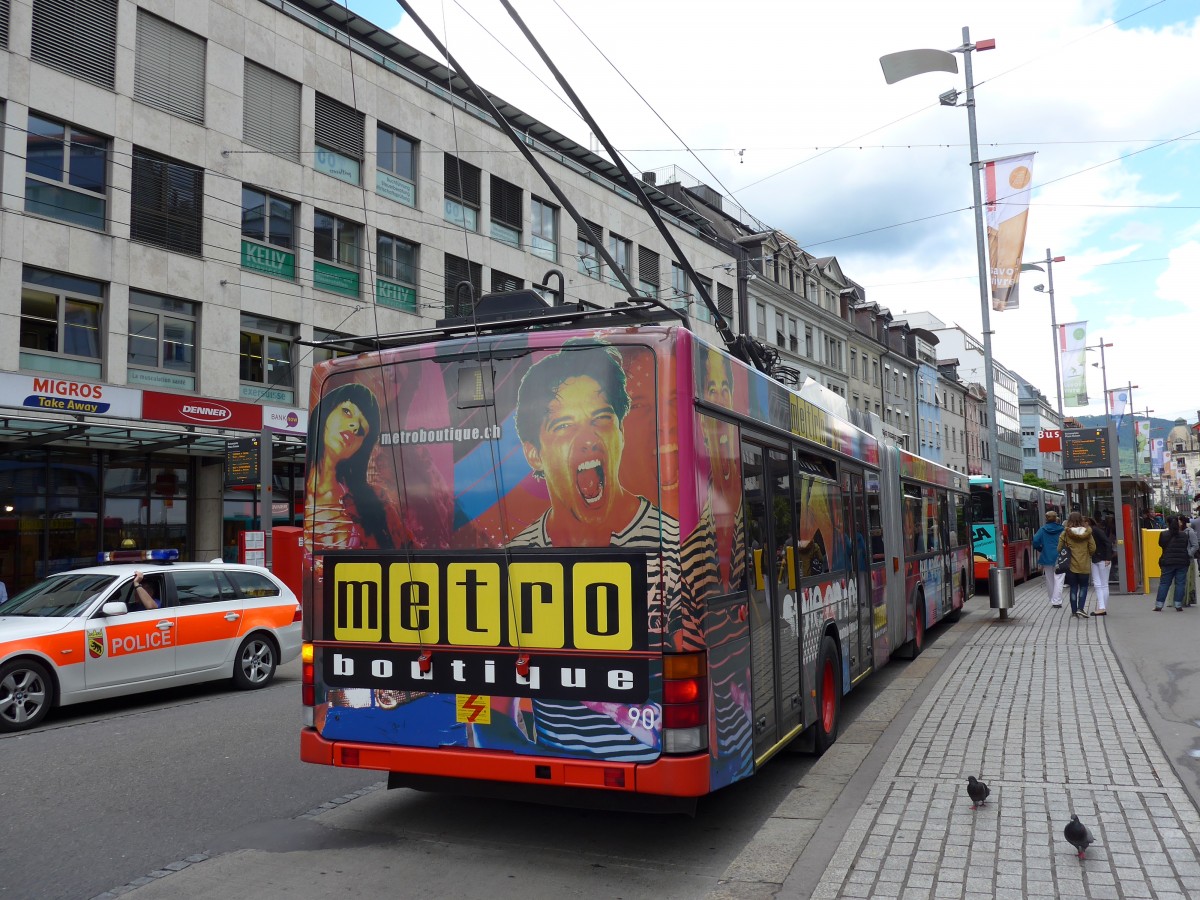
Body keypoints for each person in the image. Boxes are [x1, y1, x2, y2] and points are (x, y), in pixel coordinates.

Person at [508, 338, 680, 763]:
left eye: (602, 419)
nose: (589, 440)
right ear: (535, 455)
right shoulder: (515, 556)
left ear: (620, 433)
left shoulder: (673, 544)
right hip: (548, 752)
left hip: (648, 754)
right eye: (563, 426)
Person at [305, 382, 406, 575]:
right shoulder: (299, 497)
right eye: (347, 411)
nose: (354, 426)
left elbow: (408, 557)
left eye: (362, 429)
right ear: (325, 414)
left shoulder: (375, 502)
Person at [1057, 511, 1095, 618]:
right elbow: (1093, 548)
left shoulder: (1065, 533)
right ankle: (1080, 608)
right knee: (1083, 587)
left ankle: (1074, 611)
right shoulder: (1087, 533)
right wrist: (1087, 554)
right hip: (1084, 565)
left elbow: (1059, 549)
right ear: (1081, 520)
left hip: (1070, 566)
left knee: (1073, 587)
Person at [1153, 515, 1191, 612]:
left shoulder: (1163, 534)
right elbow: (1185, 545)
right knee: (1180, 583)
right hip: (1182, 562)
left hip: (1167, 562)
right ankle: (1178, 605)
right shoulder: (1184, 535)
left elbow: (1161, 545)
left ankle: (1159, 605)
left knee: (1164, 583)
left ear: (1168, 523)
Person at [1032, 510, 1065, 608]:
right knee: (1059, 579)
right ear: (1056, 518)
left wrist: (1041, 549)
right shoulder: (1062, 529)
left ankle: (1052, 598)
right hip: (1061, 556)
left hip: (1047, 556)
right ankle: (1057, 601)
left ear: (1046, 519)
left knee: (1050, 579)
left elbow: (1035, 541)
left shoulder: (1042, 530)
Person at [1085, 516, 1112, 616]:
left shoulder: (1095, 531)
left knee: (1101, 584)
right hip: (1098, 559)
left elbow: (1107, 542)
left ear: (1087, 523)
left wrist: (1108, 558)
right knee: (1100, 584)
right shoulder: (1094, 530)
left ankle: (1102, 607)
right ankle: (1102, 607)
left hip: (1101, 559)